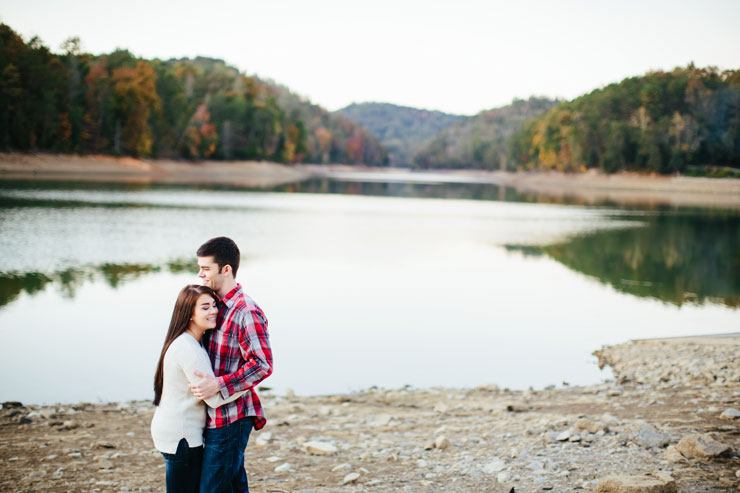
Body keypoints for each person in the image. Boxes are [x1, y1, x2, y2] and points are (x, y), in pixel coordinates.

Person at [189, 236, 273, 493]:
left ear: (226, 270)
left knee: (212, 489)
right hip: (215, 414)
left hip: (232, 417)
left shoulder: (245, 311)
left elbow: (262, 364)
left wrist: (218, 385)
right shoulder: (212, 306)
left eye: (206, 269)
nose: (200, 274)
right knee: (233, 486)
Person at [151, 284, 246, 493]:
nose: (213, 311)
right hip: (182, 436)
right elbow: (214, 398)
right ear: (189, 314)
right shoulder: (189, 349)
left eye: (214, 305)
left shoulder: (189, 341)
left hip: (174, 431)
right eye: (205, 307)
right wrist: (247, 383)